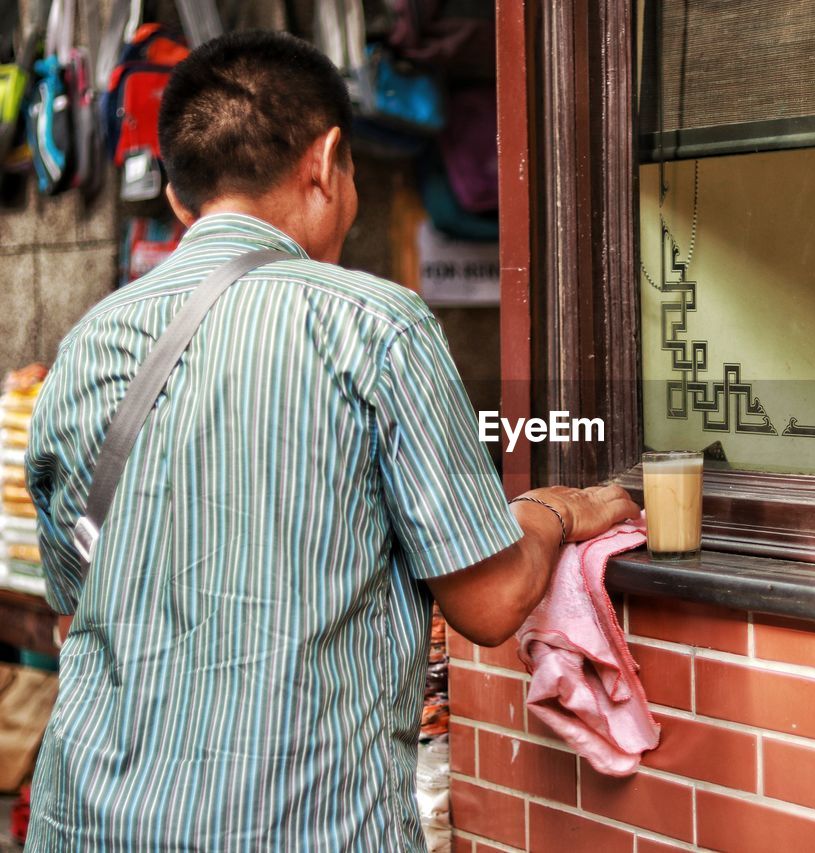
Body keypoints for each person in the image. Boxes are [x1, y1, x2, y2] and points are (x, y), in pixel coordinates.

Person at [23, 31, 638, 850]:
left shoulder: (85, 345)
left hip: (84, 823)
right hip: (298, 824)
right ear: (328, 160)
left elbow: (77, 609)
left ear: (179, 200)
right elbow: (488, 601)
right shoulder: (375, 325)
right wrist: (558, 509)